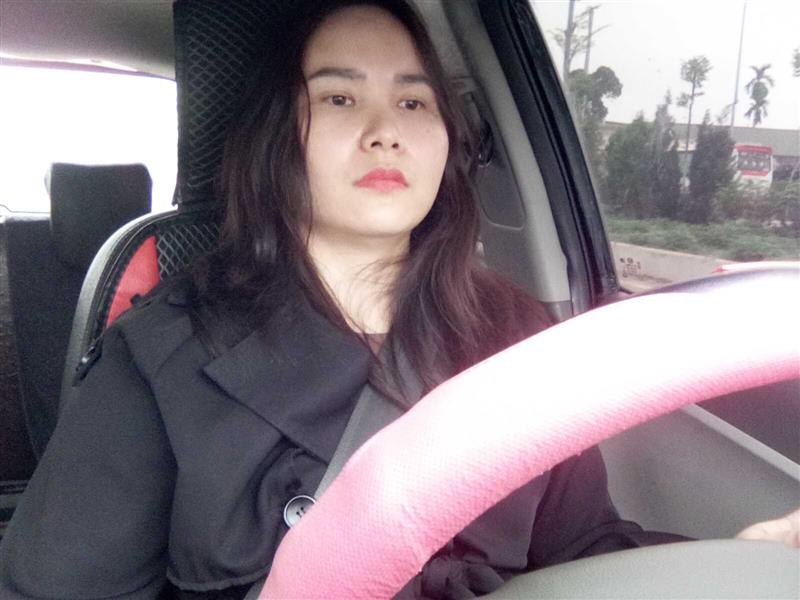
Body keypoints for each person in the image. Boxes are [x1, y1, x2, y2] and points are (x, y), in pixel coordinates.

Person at [0, 1, 796, 599]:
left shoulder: (518, 339)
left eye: (414, 102)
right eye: (340, 99)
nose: (386, 130)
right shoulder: (163, 352)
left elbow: (580, 552)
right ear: (279, 138)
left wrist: (735, 558)